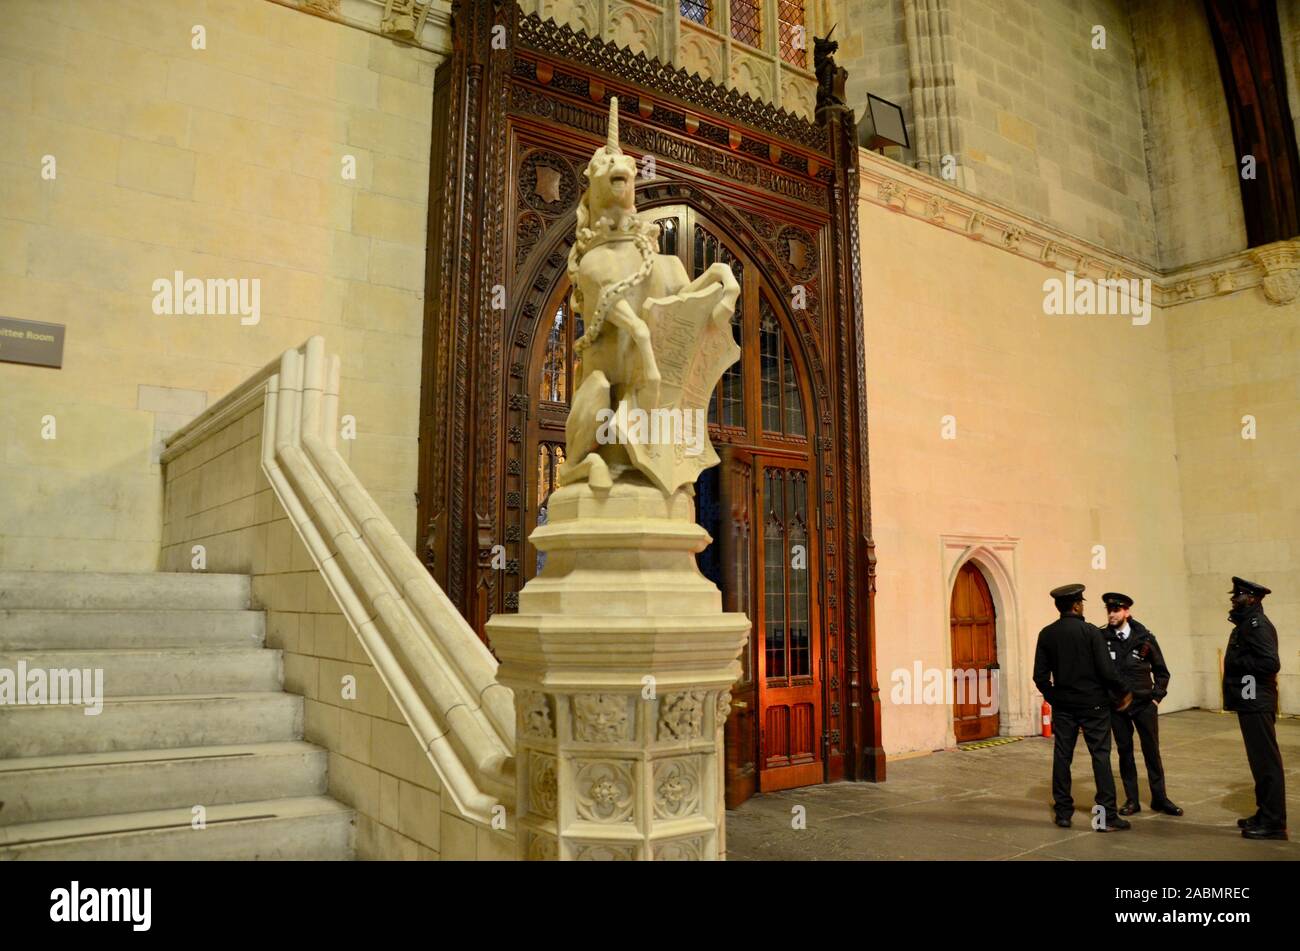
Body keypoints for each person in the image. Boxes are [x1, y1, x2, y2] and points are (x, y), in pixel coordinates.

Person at [1033, 583, 1134, 830]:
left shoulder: (1047, 634)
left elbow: (1040, 677)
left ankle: (1063, 813)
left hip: (1064, 706)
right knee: (1100, 757)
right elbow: (1107, 671)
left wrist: (1055, 698)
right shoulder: (1091, 633)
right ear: (1077, 605)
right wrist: (1124, 691)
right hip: (1094, 706)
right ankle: (1106, 816)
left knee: (1062, 757)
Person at [1101, 592, 1182, 817]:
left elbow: (1162, 671)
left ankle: (1160, 798)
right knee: (1125, 753)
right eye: (1109, 610)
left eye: (1116, 610)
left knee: (1151, 752)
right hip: (1118, 707)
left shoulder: (1145, 637)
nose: (1111, 614)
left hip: (1144, 704)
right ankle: (1132, 800)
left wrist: (1156, 697)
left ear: (1127, 611)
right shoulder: (1102, 637)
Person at [1222, 576, 1287, 840]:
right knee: (1258, 762)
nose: (1232, 599)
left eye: (1237, 596)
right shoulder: (1247, 623)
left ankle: (1273, 822)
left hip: (1258, 702)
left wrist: (1238, 663)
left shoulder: (1257, 625)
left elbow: (1271, 663)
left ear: (1251, 598)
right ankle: (1264, 812)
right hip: (1251, 702)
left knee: (1266, 763)